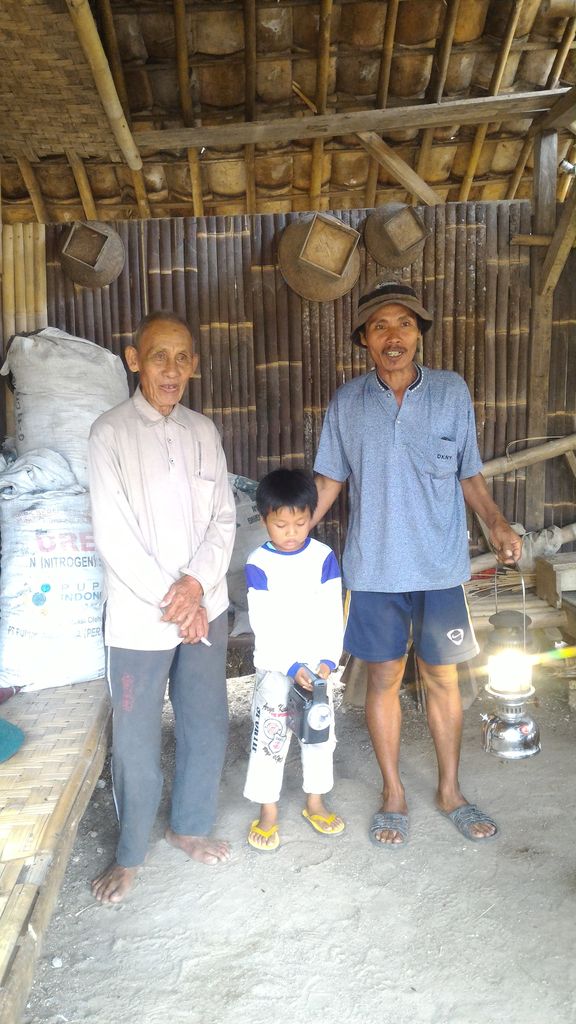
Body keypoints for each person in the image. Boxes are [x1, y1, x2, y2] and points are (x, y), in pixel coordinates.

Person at [312, 280, 522, 848]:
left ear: (419, 335)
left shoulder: (451, 392)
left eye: (404, 324)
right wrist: (293, 535)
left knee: (441, 676)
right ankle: (393, 793)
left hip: (439, 566)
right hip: (375, 568)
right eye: (379, 326)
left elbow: (469, 473)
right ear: (364, 339)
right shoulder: (348, 402)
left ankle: (450, 790)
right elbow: (329, 480)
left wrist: (497, 524)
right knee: (383, 678)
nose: (393, 335)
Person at [87, 310, 236, 902]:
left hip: (206, 605)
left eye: (181, 358)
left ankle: (188, 827)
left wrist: (197, 586)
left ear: (194, 365)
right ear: (134, 360)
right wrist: (176, 600)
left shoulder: (204, 431)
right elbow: (113, 534)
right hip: (139, 619)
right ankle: (129, 854)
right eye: (158, 357)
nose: (170, 370)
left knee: (205, 723)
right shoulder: (110, 433)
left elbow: (224, 518)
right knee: (135, 742)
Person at [243, 468, 345, 851]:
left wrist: (327, 661)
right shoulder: (258, 562)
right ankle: (268, 809)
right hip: (276, 668)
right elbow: (263, 622)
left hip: (316, 668)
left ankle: (315, 802)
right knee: (270, 738)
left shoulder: (323, 557)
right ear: (264, 519)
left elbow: (332, 612)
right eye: (281, 525)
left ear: (310, 516)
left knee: (319, 735)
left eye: (300, 524)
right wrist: (290, 666)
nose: (291, 533)